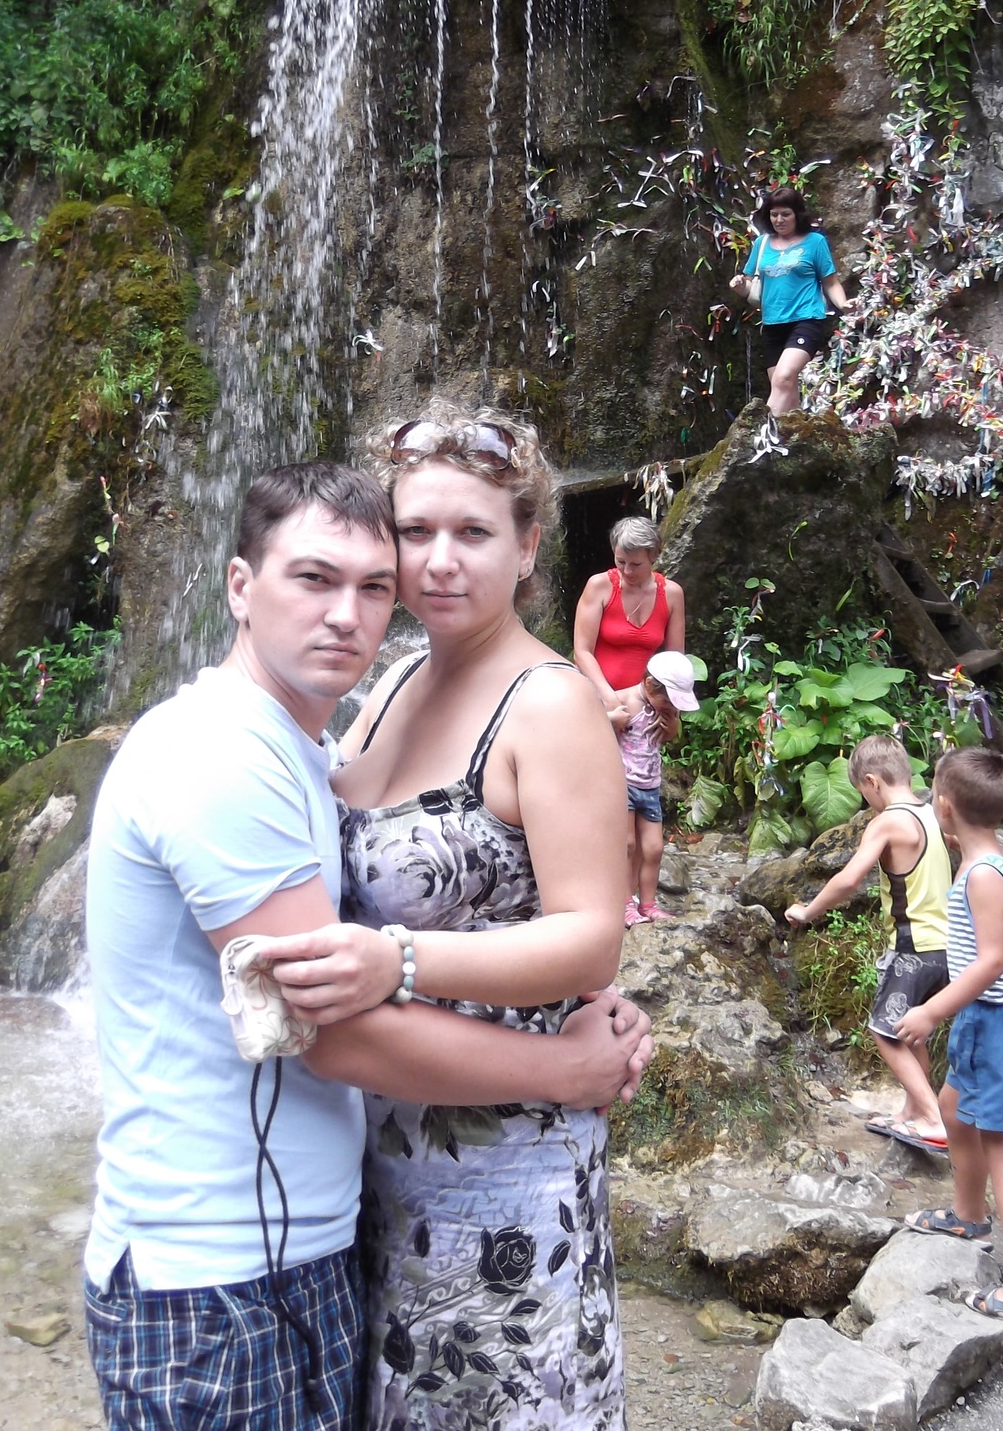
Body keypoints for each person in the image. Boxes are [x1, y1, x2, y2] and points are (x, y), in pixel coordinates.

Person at [82, 461, 654, 1431]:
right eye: (315, 578)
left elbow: (573, 925)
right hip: (228, 1264)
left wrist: (556, 999)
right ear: (238, 585)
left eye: (370, 585)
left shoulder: (308, 744)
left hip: (352, 1222)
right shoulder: (235, 750)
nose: (348, 613)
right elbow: (331, 1029)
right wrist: (565, 1065)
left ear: (528, 548)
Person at [262, 408, 636, 1430]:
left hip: (506, 1168)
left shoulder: (549, 702)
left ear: (527, 546)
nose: (438, 560)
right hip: (380, 1154)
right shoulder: (393, 683)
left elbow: (591, 937)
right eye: (415, 530)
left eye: (472, 532)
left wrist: (400, 959)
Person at [895, 748, 1003, 1343]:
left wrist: (931, 1009)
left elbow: (992, 960)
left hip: (998, 1022)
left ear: (943, 806)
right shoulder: (995, 861)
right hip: (985, 1020)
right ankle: (968, 1217)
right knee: (953, 1108)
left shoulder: (984, 875)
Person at [785, 734, 953, 1151]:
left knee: (885, 1031)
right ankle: (913, 1111)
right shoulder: (929, 812)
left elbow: (849, 878)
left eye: (863, 792)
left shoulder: (889, 821)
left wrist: (808, 911)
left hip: (912, 948)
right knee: (912, 1033)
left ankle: (933, 1118)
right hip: (946, 946)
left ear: (873, 781)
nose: (866, 801)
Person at [727, 184, 851, 415]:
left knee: (783, 378)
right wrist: (740, 285)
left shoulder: (814, 242)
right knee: (786, 387)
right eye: (774, 214)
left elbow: (831, 282)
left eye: (785, 214)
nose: (779, 220)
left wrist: (843, 305)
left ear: (797, 215)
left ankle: (761, 431)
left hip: (806, 319)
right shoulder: (762, 244)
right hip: (773, 324)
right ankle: (791, 434)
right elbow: (750, 281)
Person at [573, 515, 687, 728]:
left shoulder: (672, 594)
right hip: (595, 697)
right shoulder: (599, 586)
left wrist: (670, 712)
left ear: (654, 556)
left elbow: (675, 661)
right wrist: (610, 698)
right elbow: (582, 651)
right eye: (621, 562)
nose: (627, 571)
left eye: (636, 564)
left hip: (644, 706)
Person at [616, 651, 698, 926]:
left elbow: (668, 737)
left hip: (650, 786)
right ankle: (624, 903)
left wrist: (672, 726)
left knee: (653, 848)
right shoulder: (624, 700)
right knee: (627, 845)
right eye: (668, 700)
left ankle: (648, 903)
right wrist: (612, 718)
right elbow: (594, 724)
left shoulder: (666, 709)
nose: (671, 706)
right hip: (624, 784)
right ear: (650, 684)